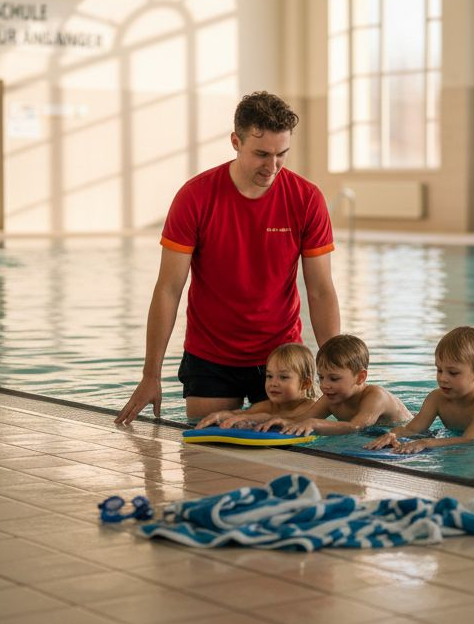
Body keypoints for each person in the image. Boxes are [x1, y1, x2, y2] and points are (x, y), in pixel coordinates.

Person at [115, 91, 340, 424]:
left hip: (281, 356)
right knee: (209, 448)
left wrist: (336, 372)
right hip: (212, 355)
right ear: (236, 141)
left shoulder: (306, 199)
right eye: (261, 154)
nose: (273, 166)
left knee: (287, 452)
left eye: (282, 154)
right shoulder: (196, 197)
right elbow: (168, 289)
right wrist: (151, 375)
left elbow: (320, 289)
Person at [363, 326, 474, 454]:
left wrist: (427, 443)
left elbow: (471, 439)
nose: (443, 378)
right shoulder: (436, 398)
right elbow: (412, 430)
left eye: (453, 373)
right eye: (439, 370)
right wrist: (392, 435)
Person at [259, 334, 411, 436]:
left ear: (360, 377)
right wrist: (281, 421)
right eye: (321, 377)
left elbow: (356, 427)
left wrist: (315, 424)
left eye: (334, 378)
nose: (325, 385)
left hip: (410, 432)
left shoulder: (376, 396)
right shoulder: (331, 399)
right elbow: (303, 419)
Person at [194, 343, 318, 429]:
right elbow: (242, 414)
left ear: (305, 383)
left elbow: (294, 419)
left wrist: (262, 418)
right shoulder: (268, 405)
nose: (273, 383)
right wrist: (220, 416)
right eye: (269, 376)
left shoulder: (311, 407)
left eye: (283, 377)